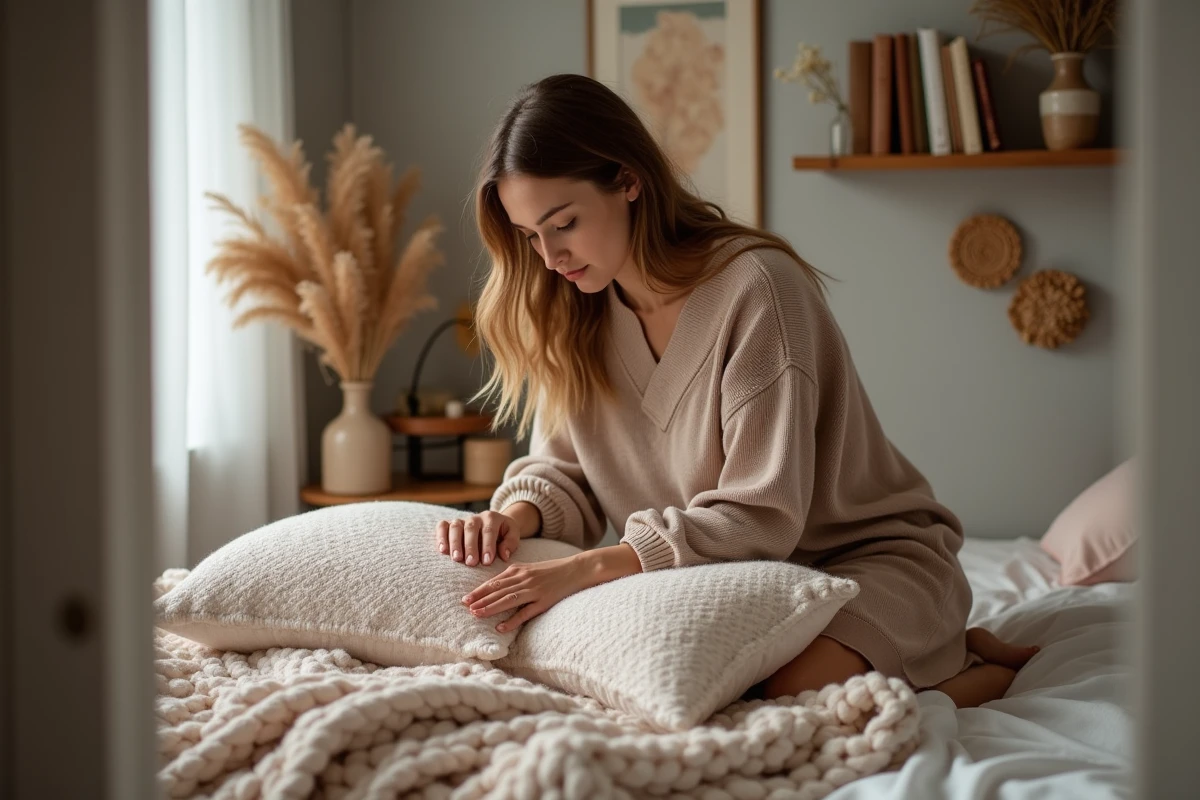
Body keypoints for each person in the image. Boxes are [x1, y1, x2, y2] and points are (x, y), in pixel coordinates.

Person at [434, 73, 1037, 707]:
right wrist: (508, 518)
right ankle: (937, 651)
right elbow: (568, 473)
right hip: (733, 581)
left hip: (866, 564)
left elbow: (762, 515)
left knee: (793, 692)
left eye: (565, 223)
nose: (550, 257)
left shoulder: (757, 289)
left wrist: (583, 570)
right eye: (531, 236)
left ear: (628, 180)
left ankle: (970, 668)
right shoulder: (574, 306)